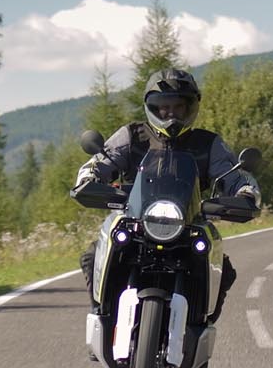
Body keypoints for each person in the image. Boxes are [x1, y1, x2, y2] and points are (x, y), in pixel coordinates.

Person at [74, 68, 261, 318]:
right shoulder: (132, 135)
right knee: (92, 255)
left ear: (190, 107)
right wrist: (91, 177)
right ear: (152, 107)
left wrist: (245, 192)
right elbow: (102, 161)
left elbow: (232, 175)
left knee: (223, 269)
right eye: (163, 107)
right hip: (135, 220)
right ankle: (101, 314)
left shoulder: (208, 144)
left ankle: (200, 323)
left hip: (189, 223)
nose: (170, 113)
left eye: (178, 107)